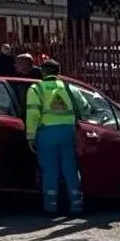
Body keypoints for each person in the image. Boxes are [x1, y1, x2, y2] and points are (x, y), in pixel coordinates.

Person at [25, 59, 83, 216]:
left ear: (42, 72)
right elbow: (84, 106)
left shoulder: (36, 89)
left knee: (50, 170)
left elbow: (33, 114)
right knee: (70, 169)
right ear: (58, 72)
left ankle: (51, 207)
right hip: (68, 132)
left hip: (47, 133)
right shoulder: (69, 88)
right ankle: (77, 205)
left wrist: (30, 135)